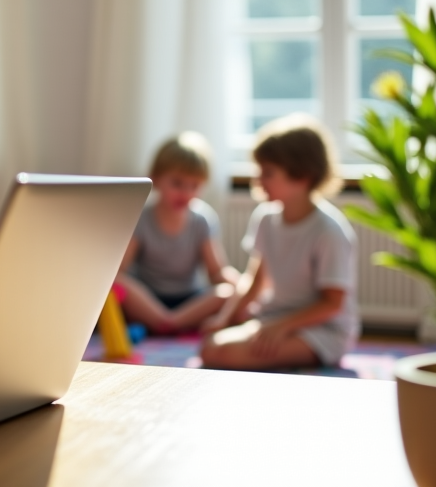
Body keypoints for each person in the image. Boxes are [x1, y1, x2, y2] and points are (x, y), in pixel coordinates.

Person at [200, 114, 359, 371]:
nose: (258, 181)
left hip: (321, 332)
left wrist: (281, 327)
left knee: (224, 354)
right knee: (212, 347)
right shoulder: (265, 218)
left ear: (303, 176)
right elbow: (255, 281)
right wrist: (224, 320)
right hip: (275, 320)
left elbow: (332, 303)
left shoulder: (328, 231)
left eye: (268, 173)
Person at [116, 132, 239, 335]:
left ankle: (169, 323)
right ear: (156, 178)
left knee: (227, 292)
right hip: (150, 299)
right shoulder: (142, 218)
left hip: (189, 300)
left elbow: (216, 272)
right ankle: (163, 321)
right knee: (117, 282)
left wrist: (236, 282)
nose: (186, 193)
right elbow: (121, 270)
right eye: (177, 183)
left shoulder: (202, 219)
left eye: (194, 186)